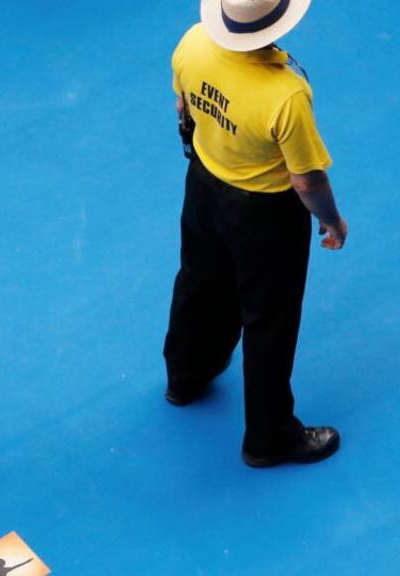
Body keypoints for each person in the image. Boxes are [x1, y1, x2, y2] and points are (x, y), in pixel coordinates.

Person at [163, 0, 347, 468]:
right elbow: (306, 180)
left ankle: (186, 376)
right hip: (266, 214)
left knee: (199, 280)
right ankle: (269, 438)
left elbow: (184, 107)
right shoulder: (286, 95)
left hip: (204, 186)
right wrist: (330, 218)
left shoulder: (193, 43)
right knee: (269, 320)